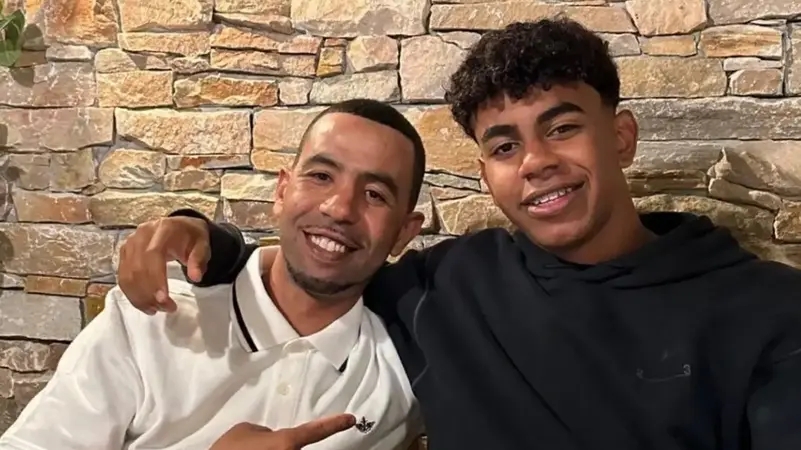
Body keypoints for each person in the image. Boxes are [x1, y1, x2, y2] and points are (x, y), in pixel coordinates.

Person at [115, 19, 801, 450]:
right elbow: (324, 262)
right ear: (485, 173)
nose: (534, 162)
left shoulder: (767, 312)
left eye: (562, 127)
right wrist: (207, 240)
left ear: (620, 137)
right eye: (504, 146)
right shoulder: (447, 287)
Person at [0, 99, 429, 450]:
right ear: (282, 191)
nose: (339, 208)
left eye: (374, 194)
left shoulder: (405, 370)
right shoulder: (150, 321)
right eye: (321, 176)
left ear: (404, 233)